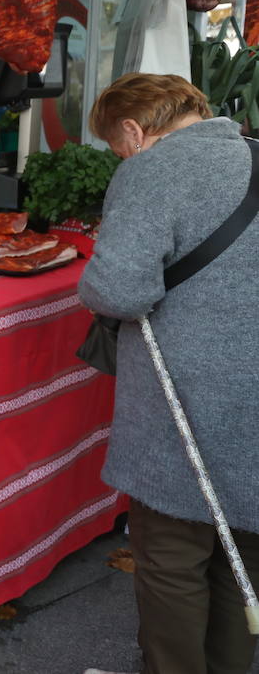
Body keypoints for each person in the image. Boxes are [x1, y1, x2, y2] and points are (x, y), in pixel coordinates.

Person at [78, 73, 259, 674]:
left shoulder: (152, 168)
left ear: (133, 130)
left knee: (174, 556)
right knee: (240, 558)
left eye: (115, 146)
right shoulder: (254, 154)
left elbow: (118, 291)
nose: (120, 157)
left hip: (186, 394)